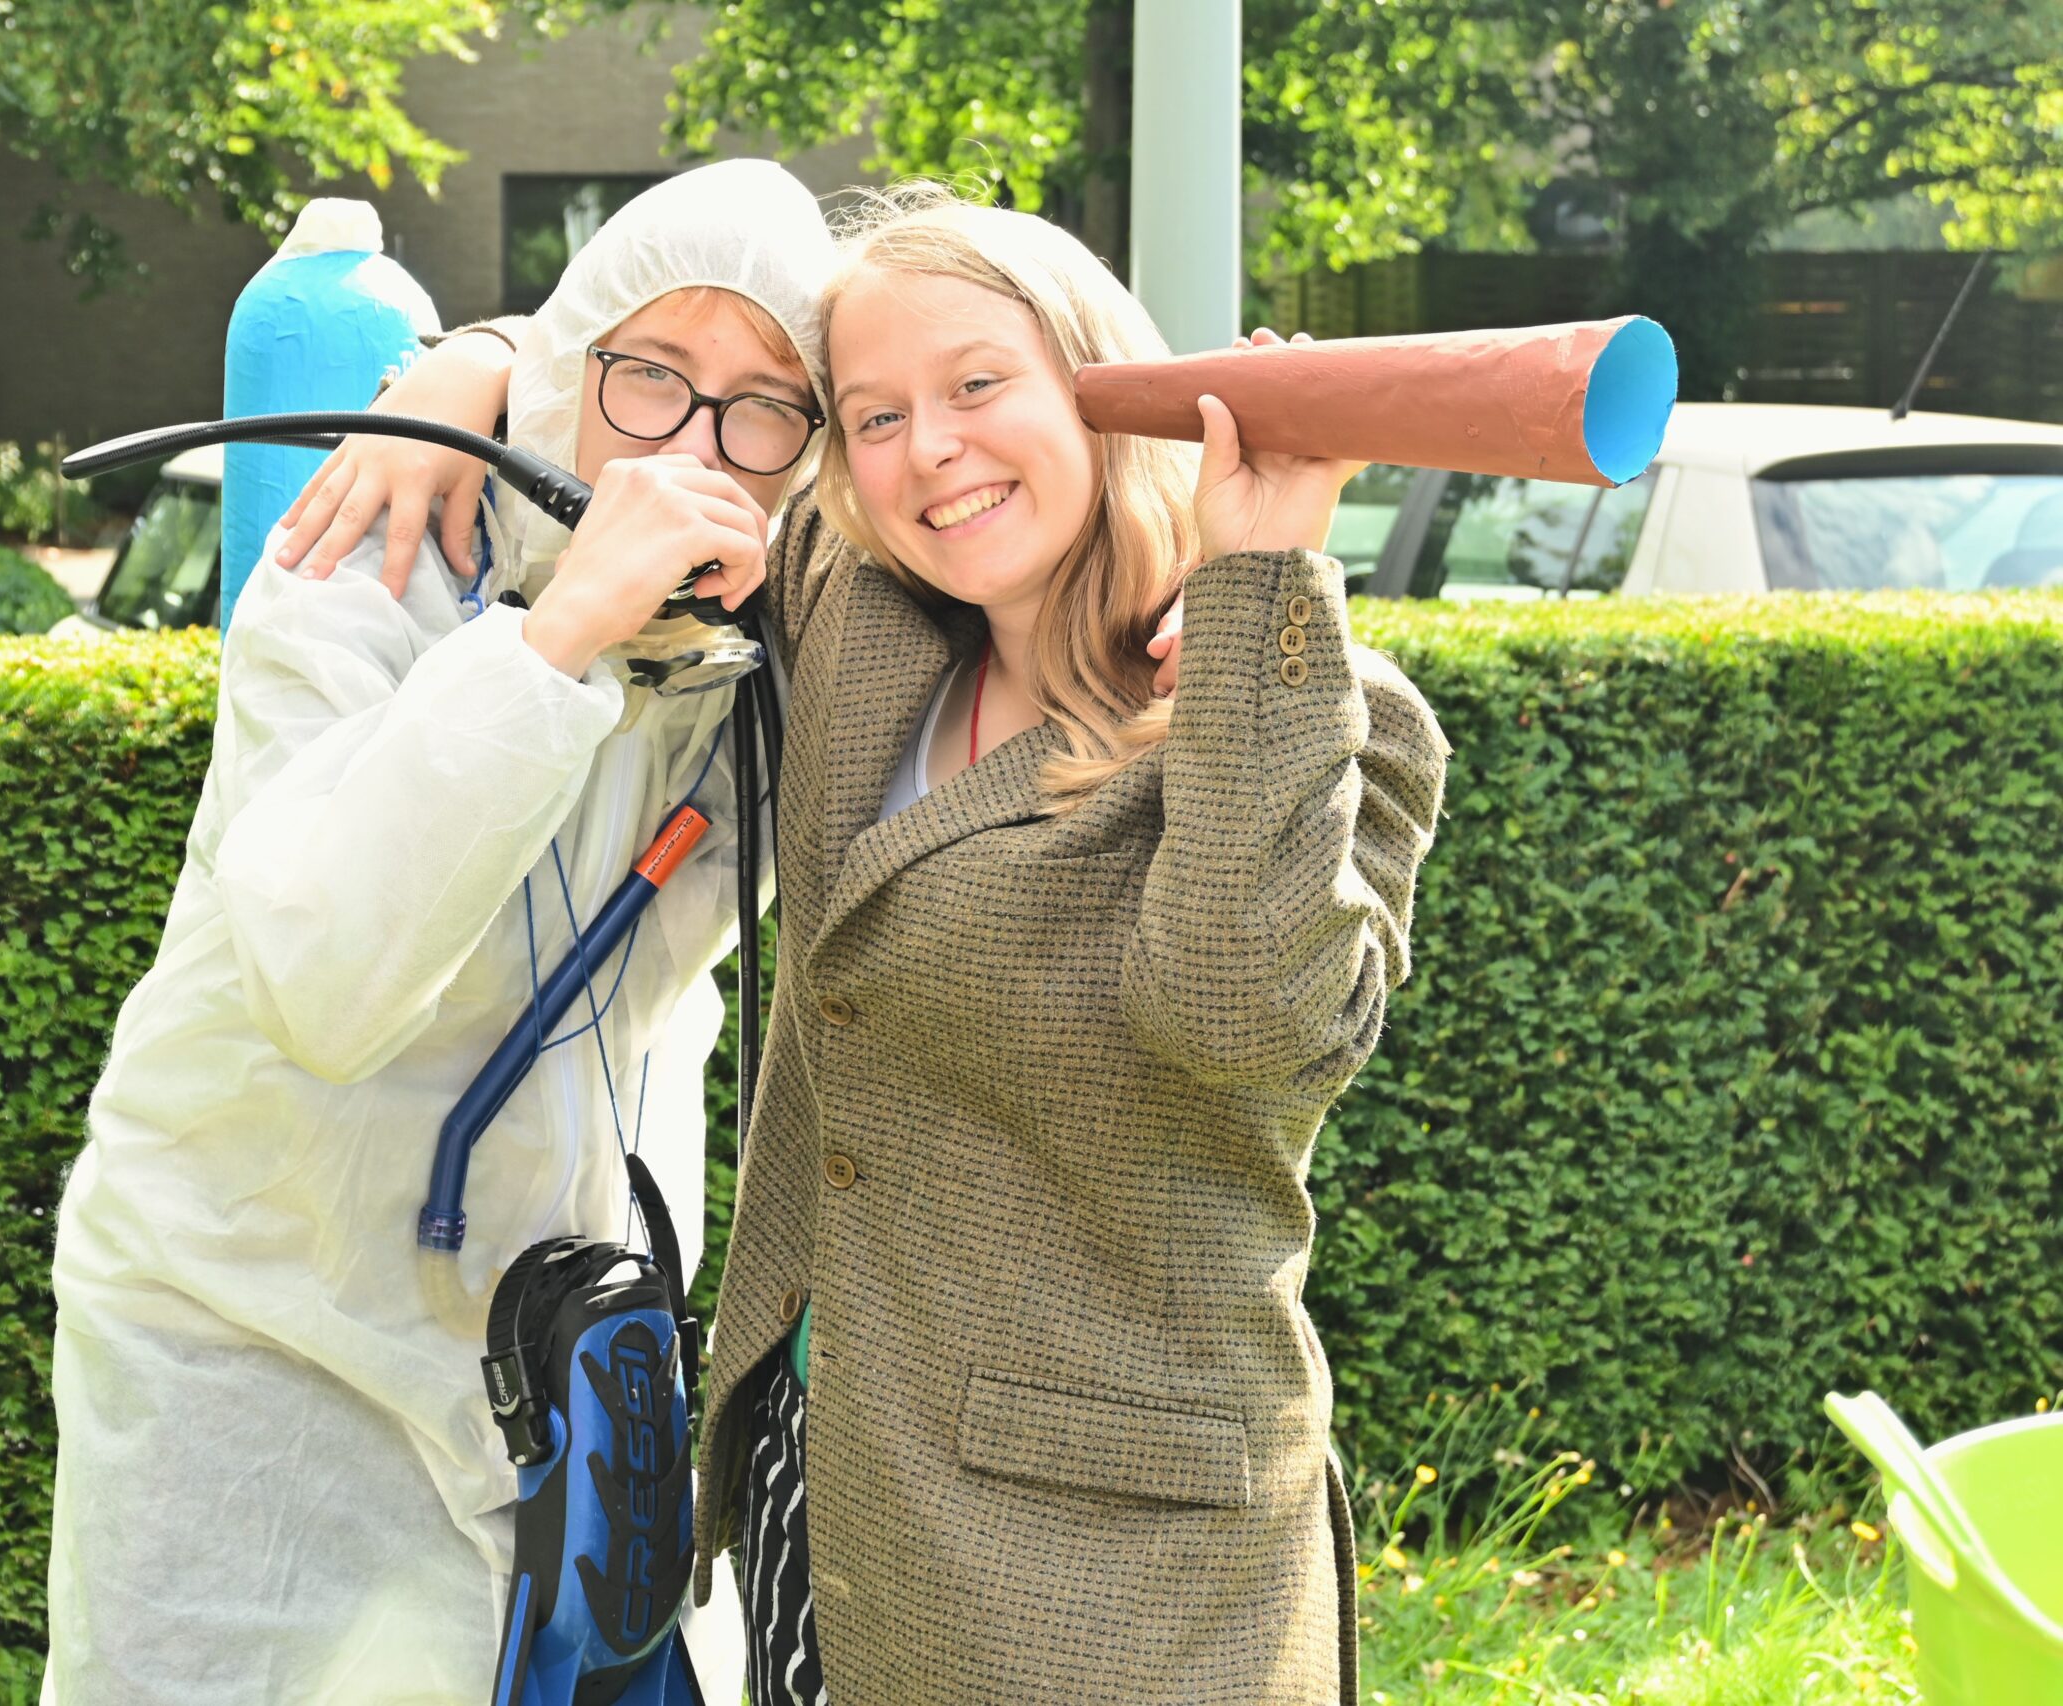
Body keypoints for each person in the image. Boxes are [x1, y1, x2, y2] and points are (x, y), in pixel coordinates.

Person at [277, 188, 1449, 1704]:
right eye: (875, 415)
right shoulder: (870, 622)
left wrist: (1263, 586)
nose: (930, 451)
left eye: (978, 385)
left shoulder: (1300, 700)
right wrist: (468, 366)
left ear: (1098, 381)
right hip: (817, 1484)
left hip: (1110, 1576)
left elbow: (1245, 1021)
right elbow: (678, 361)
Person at [43, 159, 834, 1705]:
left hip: (541, 1340)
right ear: (570, 375)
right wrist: (558, 639)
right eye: (650, 379)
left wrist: (482, 353)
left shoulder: (768, 642)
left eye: (762, 406)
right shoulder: (375, 563)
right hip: (247, 1307)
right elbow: (326, 983)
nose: (695, 447)